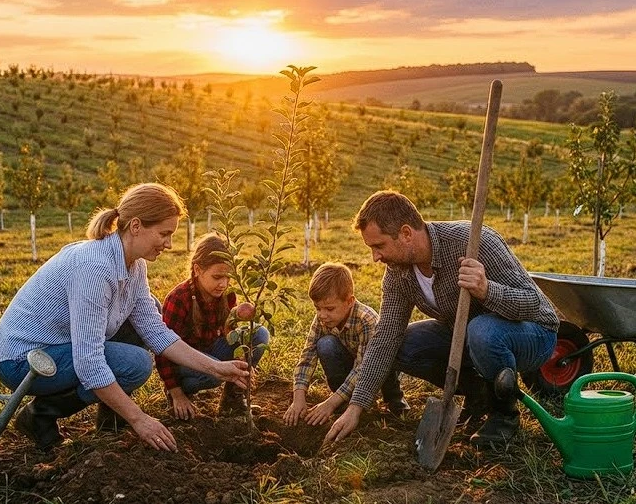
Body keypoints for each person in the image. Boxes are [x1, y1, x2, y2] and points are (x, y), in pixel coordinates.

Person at [0, 183, 249, 453]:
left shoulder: (134, 266)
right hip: (22, 361)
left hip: (57, 348)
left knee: (147, 316)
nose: (169, 244)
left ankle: (108, 415)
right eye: (164, 233)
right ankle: (40, 416)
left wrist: (217, 368)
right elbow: (89, 362)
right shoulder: (95, 269)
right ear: (136, 226)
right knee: (134, 364)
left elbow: (156, 332)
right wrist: (139, 419)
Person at [324, 190, 558, 447]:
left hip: (532, 334)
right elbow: (385, 337)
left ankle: (504, 414)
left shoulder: (474, 241)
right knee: (402, 345)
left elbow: (533, 303)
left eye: (379, 246)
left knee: (482, 330)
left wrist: (486, 290)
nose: (375, 257)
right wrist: (356, 406)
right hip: (468, 336)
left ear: (405, 234)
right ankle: (477, 392)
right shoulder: (398, 273)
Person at [155, 233, 270, 419]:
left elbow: (228, 333)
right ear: (198, 269)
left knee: (259, 334)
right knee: (213, 374)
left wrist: (243, 361)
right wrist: (176, 394)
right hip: (184, 361)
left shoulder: (227, 294)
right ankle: (181, 394)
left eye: (228, 277)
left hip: (211, 350)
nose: (223, 284)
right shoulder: (179, 299)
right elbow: (163, 350)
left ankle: (233, 399)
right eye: (217, 277)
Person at [283, 262, 408, 426]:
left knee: (387, 362)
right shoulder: (323, 318)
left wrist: (329, 403)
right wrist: (298, 397)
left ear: (349, 301)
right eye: (317, 308)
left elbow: (364, 367)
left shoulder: (366, 320)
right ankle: (342, 400)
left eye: (329, 308)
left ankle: (394, 400)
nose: (322, 315)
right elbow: (308, 356)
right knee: (325, 345)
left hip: (376, 367)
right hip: (351, 363)